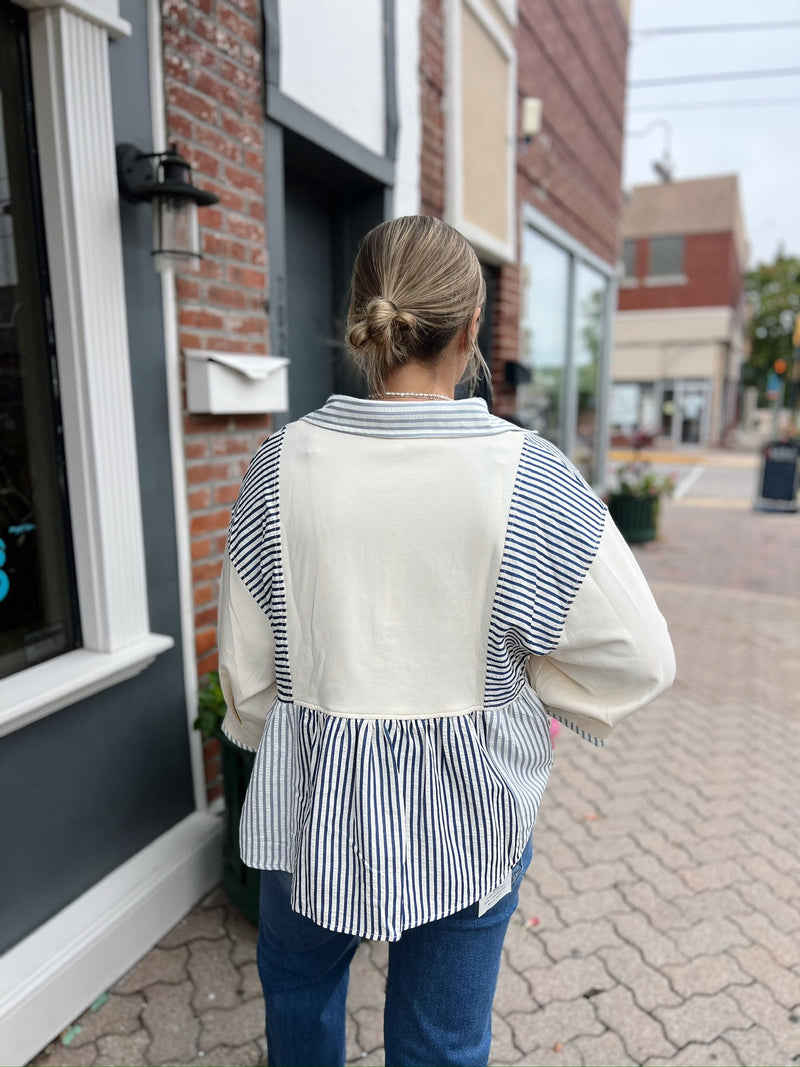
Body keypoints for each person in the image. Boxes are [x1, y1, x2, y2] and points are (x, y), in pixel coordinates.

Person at [217, 215, 675, 1067]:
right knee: (441, 1041)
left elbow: (246, 676)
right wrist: (531, 682)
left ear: (366, 322)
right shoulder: (528, 473)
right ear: (470, 333)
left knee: (299, 992)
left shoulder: (281, 463)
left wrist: (270, 725)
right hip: (469, 810)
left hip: (311, 796)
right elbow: (642, 654)